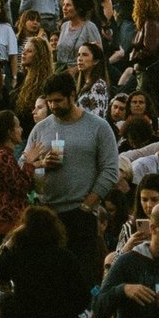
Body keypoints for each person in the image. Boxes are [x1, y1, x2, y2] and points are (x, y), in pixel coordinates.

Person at [19, 69, 119, 284]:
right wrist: (41, 164)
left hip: (80, 213)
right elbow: (22, 167)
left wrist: (87, 205)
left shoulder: (97, 127)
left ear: (72, 96)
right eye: (50, 101)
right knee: (49, 279)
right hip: (47, 213)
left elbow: (110, 170)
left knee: (81, 277)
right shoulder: (41, 129)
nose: (54, 106)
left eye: (58, 100)